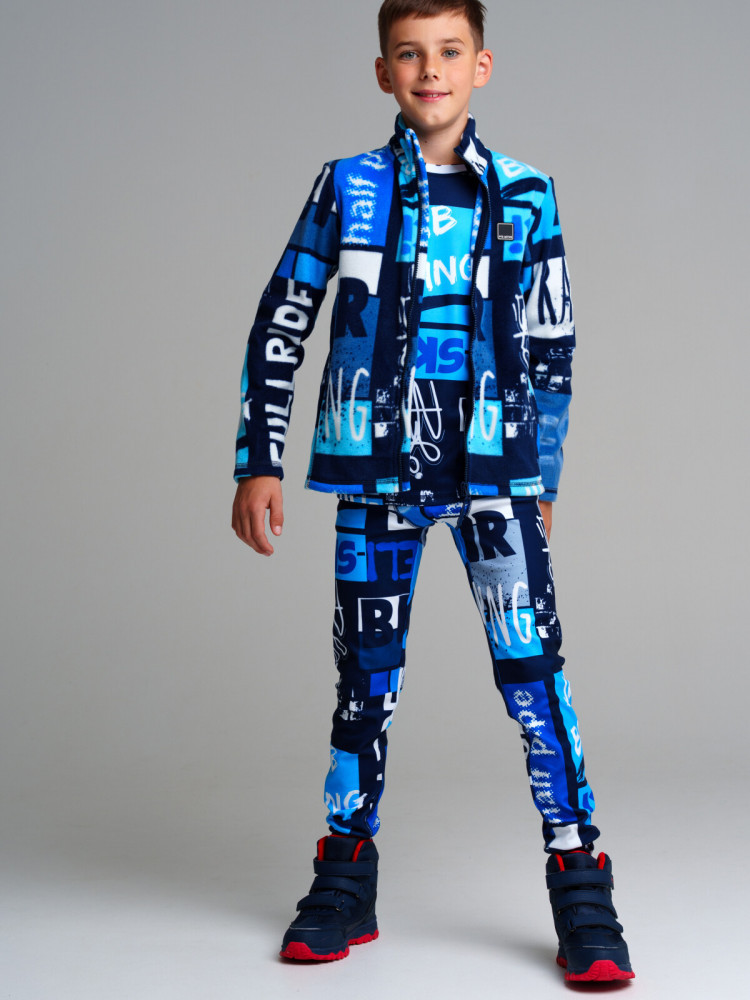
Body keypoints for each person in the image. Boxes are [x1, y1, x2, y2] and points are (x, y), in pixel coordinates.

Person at [232, 0, 634, 983]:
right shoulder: (348, 186)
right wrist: (258, 458)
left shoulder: (528, 193)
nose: (430, 70)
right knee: (365, 679)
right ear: (384, 72)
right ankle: (345, 872)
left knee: (534, 674)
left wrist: (546, 471)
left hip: (498, 477)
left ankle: (580, 878)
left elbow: (553, 342)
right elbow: (283, 314)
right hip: (377, 476)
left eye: (449, 51)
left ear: (480, 64)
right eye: (409, 54)